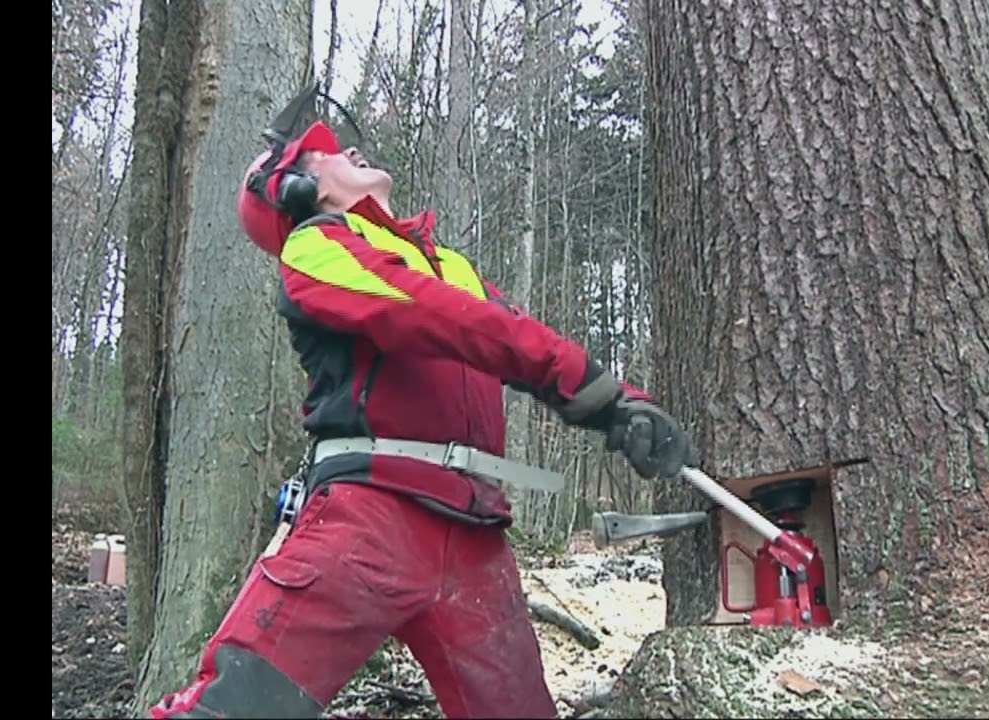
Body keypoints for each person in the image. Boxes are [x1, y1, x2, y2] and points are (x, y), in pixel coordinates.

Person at [148, 104, 695, 719]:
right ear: (299, 190)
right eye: (322, 153)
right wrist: (589, 390)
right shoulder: (316, 248)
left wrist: (617, 406)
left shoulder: (448, 264)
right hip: (368, 512)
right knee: (237, 707)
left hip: (475, 533)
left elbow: (511, 330)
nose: (348, 151)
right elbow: (431, 314)